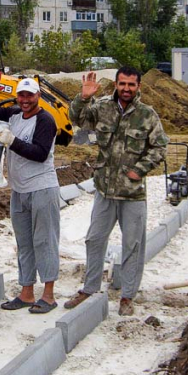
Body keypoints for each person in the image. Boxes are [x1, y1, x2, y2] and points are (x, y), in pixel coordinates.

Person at [64, 66, 168, 316]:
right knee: (94, 239)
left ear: (138, 87)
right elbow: (76, 119)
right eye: (122, 84)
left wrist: (139, 170)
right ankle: (89, 288)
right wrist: (84, 97)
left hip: (132, 193)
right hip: (104, 189)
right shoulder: (102, 108)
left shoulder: (147, 115)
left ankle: (127, 297)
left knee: (133, 245)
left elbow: (160, 147)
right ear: (116, 84)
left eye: (131, 85)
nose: (126, 89)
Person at [0, 71, 61, 314]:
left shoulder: (46, 121)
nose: (25, 100)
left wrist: (12, 141)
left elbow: (40, 153)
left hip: (42, 188)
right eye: (21, 95)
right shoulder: (15, 113)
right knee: (24, 242)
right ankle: (26, 292)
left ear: (37, 96)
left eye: (29, 95)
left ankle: (48, 294)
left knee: (45, 240)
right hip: (20, 189)